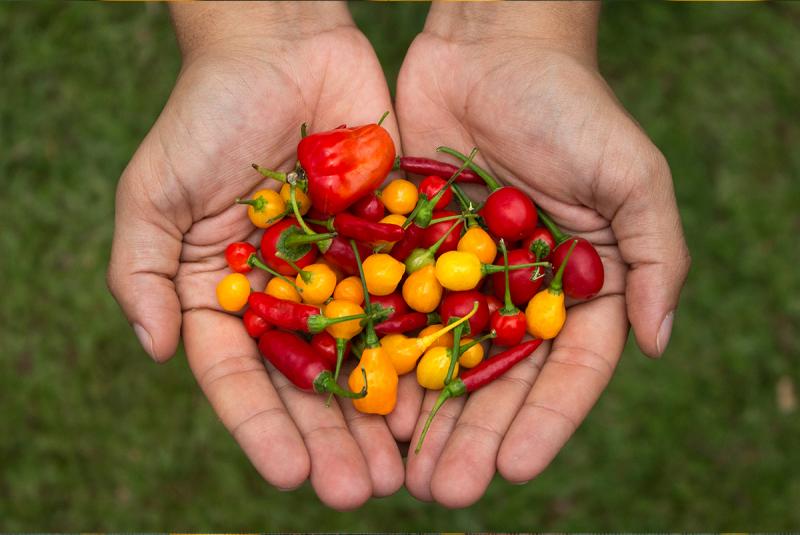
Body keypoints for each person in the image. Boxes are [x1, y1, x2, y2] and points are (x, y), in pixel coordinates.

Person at [107, 2, 690, 510]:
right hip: (377, 300)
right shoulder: (361, 268)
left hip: (392, 299)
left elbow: (404, 282)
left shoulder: (412, 269)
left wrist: (520, 32)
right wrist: (254, 32)